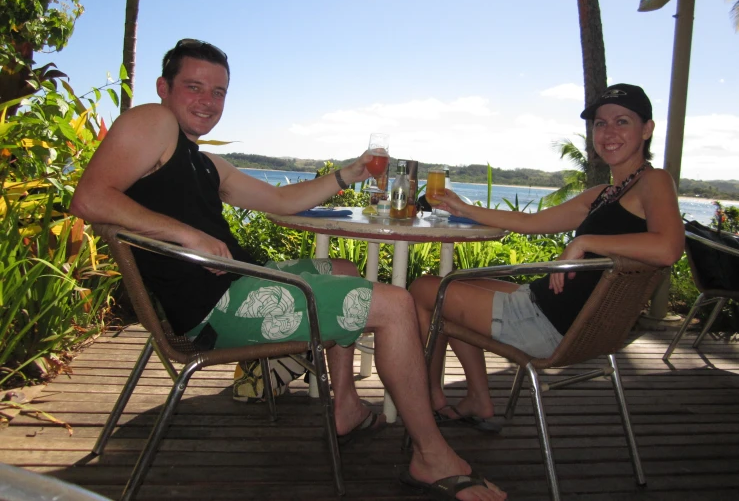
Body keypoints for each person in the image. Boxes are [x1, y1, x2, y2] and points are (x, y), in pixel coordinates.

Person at [70, 39, 506, 501]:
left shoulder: (204, 162)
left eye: (218, 92)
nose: (207, 101)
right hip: (217, 308)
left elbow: (279, 199)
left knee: (342, 268)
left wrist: (349, 174)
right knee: (396, 304)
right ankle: (431, 457)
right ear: (164, 88)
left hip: (237, 284)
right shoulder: (151, 121)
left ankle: (347, 407)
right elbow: (90, 199)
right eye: (194, 87)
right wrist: (187, 234)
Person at [410, 83, 684, 427]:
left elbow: (668, 248)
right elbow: (530, 222)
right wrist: (462, 207)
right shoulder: (604, 193)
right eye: (600, 124)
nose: (608, 132)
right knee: (459, 286)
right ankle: (477, 399)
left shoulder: (654, 181)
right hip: (549, 306)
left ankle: (430, 400)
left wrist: (586, 242)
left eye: (622, 122)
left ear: (647, 129)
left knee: (425, 289)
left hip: (546, 325)